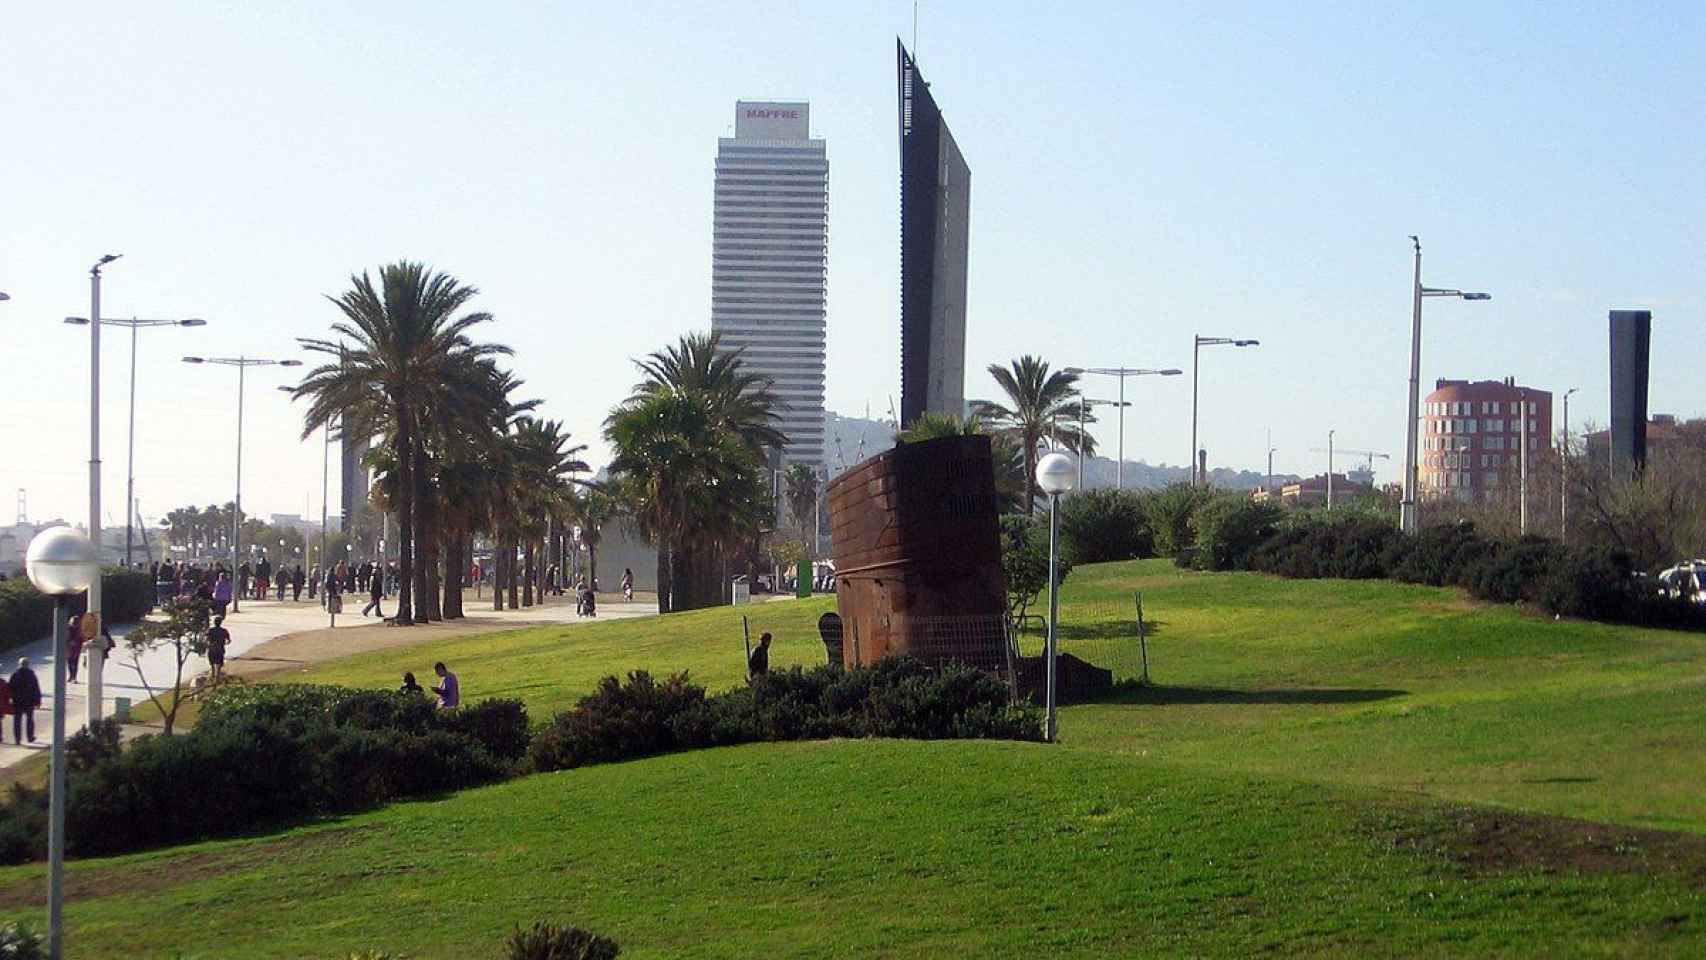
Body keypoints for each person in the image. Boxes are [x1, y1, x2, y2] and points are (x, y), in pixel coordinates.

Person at [8, 658, 41, 744]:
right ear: (27, 664)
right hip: (29, 701)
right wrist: (38, 701)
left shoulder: (15, 674)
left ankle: (17, 739)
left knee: (17, 720)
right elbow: (36, 688)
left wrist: (10, 698)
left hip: (17, 701)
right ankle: (30, 737)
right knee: (29, 719)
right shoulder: (31, 674)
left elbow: (10, 688)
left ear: (19, 664)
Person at [205, 615, 230, 684]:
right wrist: (224, 643)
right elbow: (229, 640)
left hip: (212, 649)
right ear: (221, 622)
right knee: (219, 664)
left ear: (214, 622)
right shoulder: (224, 631)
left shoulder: (210, 630)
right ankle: (217, 678)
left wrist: (209, 644)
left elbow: (206, 639)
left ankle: (213, 675)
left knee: (212, 663)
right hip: (220, 649)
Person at [66, 613, 86, 684]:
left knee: (73, 662)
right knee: (70, 663)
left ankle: (73, 677)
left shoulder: (79, 629)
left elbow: (82, 638)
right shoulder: (68, 628)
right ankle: (71, 676)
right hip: (70, 648)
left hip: (75, 648)